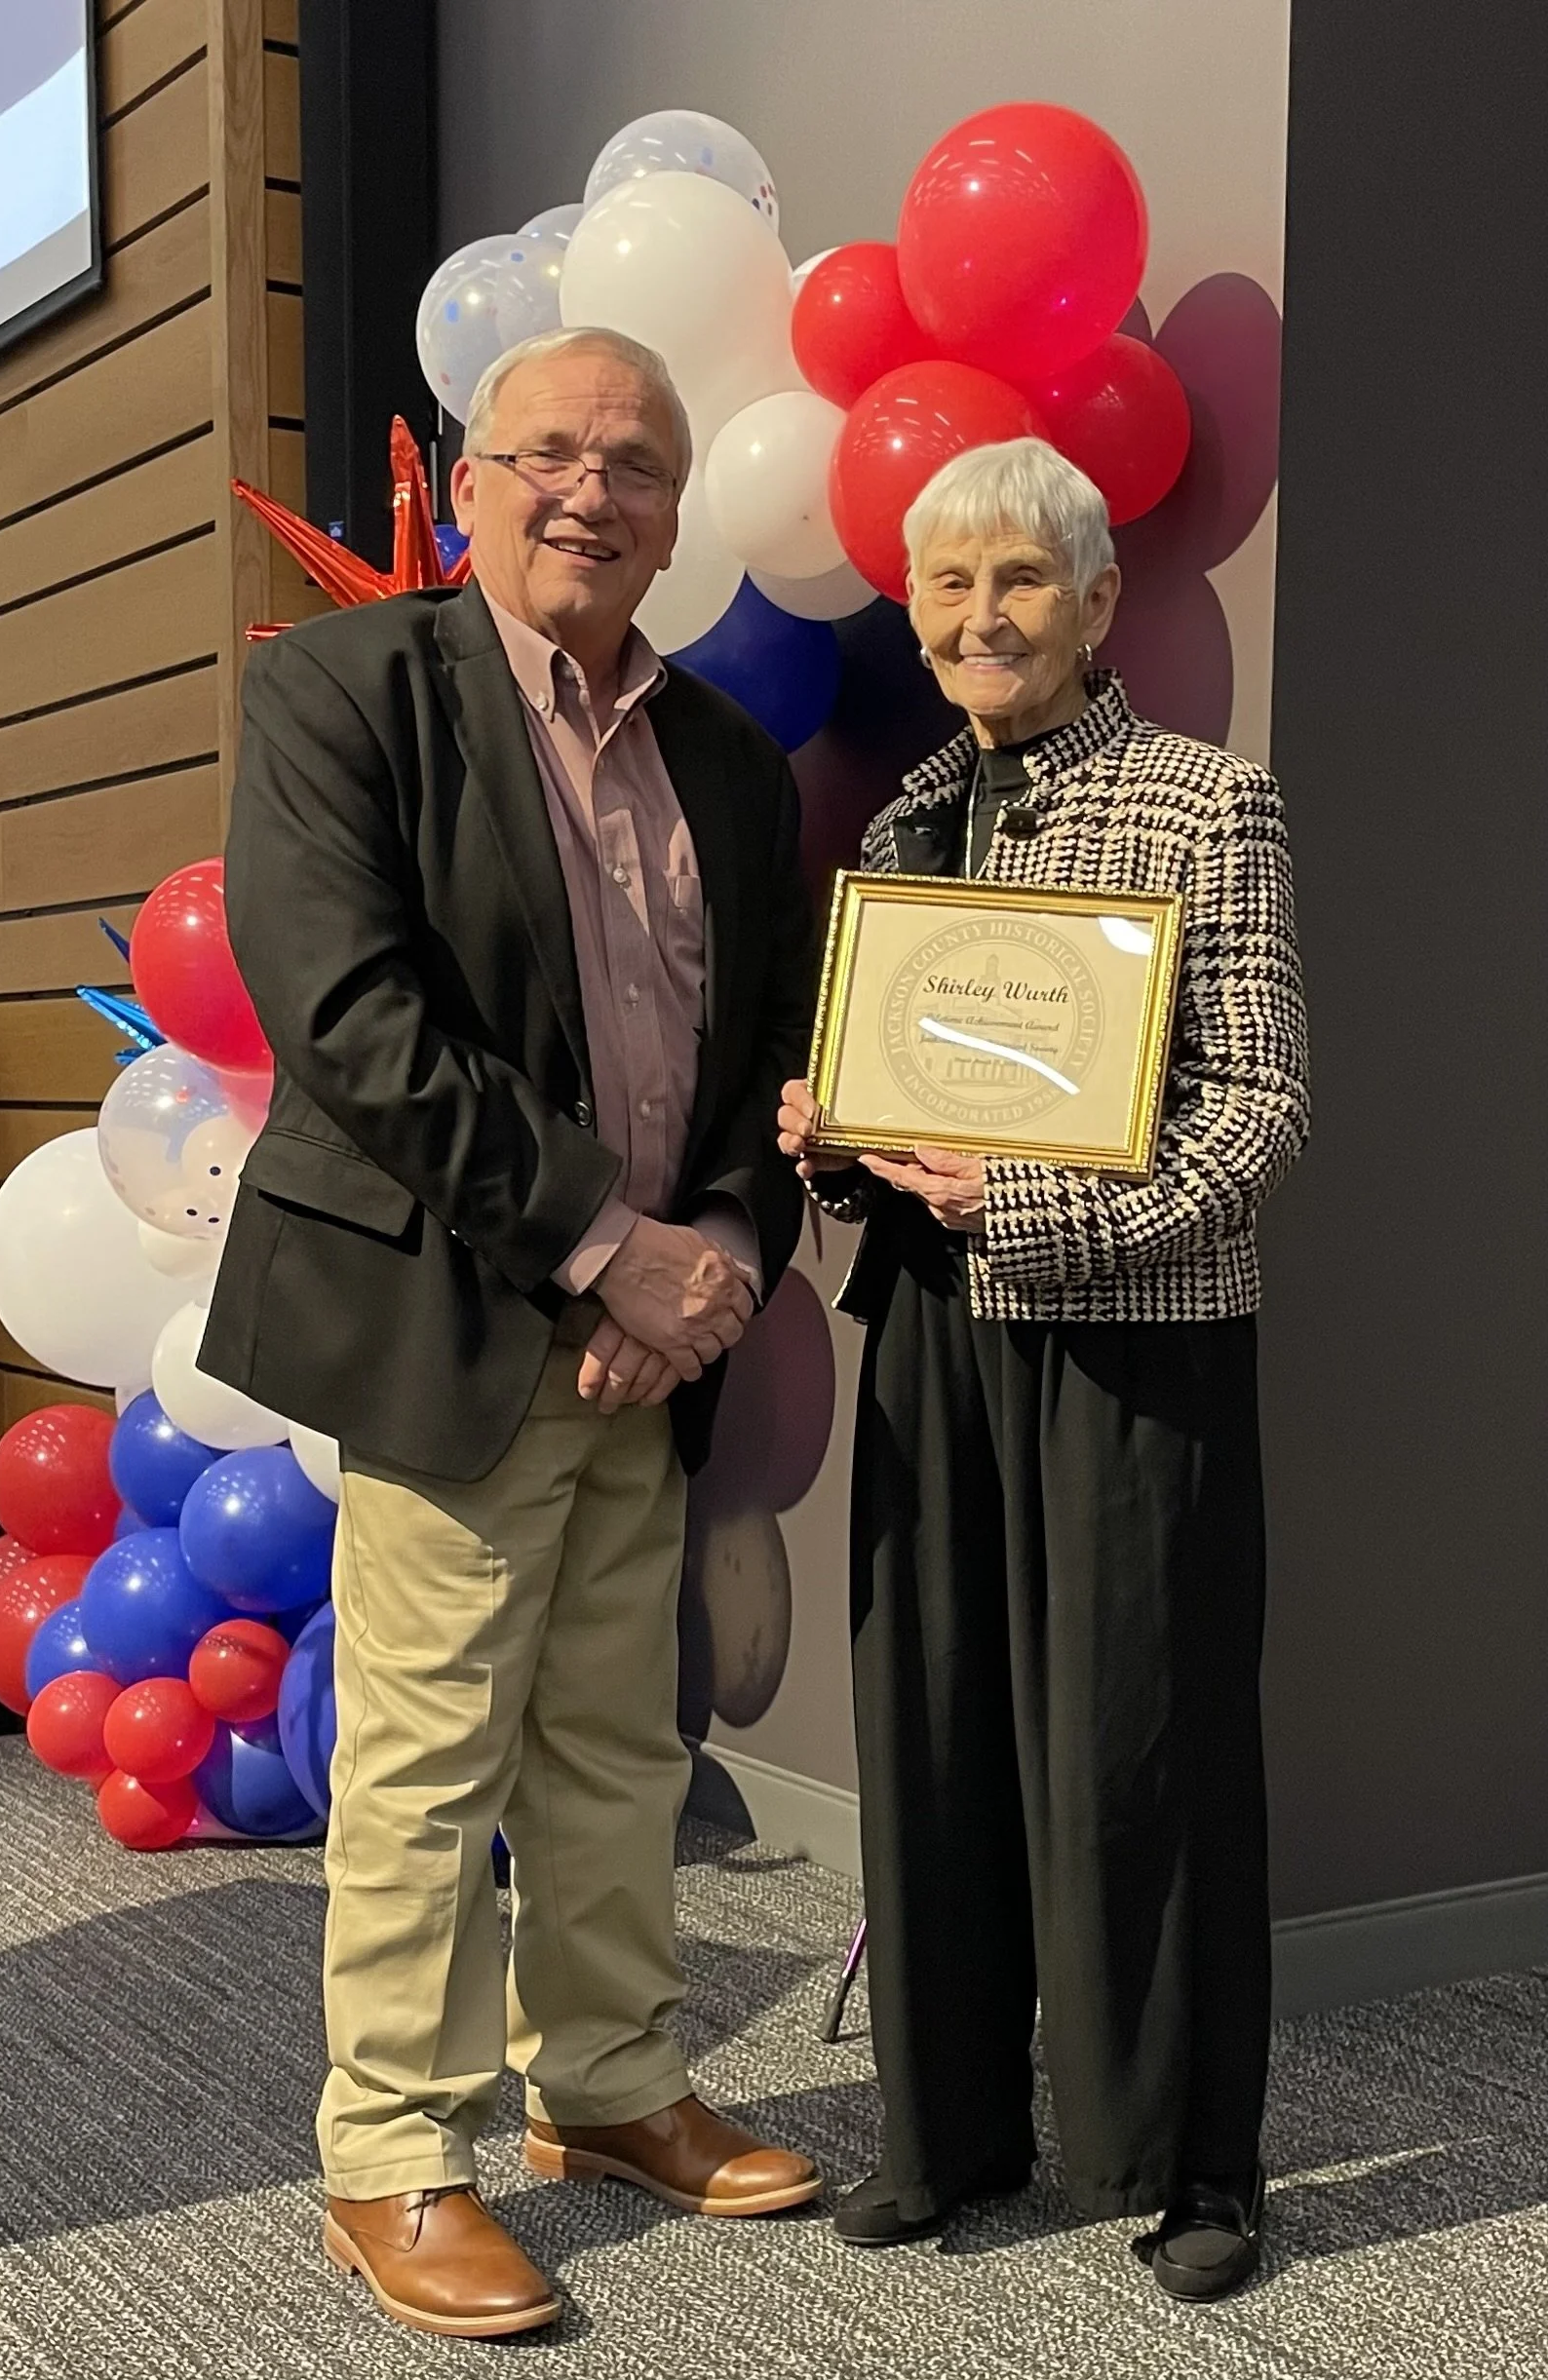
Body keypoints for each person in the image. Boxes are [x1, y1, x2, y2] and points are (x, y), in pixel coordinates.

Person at [202, 325, 821, 2342]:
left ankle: (613, 2084)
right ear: (467, 484)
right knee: (426, 1754)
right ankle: (391, 2149)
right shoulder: (339, 692)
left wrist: (713, 1238)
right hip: (459, 1320)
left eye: (633, 463)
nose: (589, 491)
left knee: (612, 1744)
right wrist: (602, 1249)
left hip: (650, 1348)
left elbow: (747, 1053)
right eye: (546, 452)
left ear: (672, 511)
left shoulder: (723, 756)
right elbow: (352, 1022)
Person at [779, 439, 1309, 2303]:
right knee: (930, 1734)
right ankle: (951, 2132)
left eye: (1021, 579)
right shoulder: (907, 820)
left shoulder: (1203, 809)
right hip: (934, 1333)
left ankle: (1193, 2161)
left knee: (1141, 1751)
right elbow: (904, 1090)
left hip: (1131, 1349)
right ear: (913, 618)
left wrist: (1033, 1210)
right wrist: (835, 1132)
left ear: (1096, 603)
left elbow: (1256, 1120)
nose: (981, 614)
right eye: (947, 585)